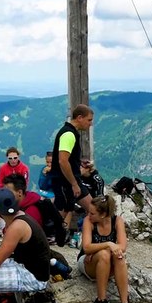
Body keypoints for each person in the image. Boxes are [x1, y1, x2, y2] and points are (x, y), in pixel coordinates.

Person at [79, 194, 135, 303]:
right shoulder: (88, 221)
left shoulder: (117, 221)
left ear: (103, 215)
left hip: (107, 263)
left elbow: (122, 246)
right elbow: (86, 247)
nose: (89, 215)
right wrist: (109, 244)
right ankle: (101, 300)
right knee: (104, 254)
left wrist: (100, 249)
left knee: (119, 256)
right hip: (88, 263)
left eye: (92, 213)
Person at [49, 104, 96, 245]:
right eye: (89, 120)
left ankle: (92, 237)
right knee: (62, 211)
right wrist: (74, 183)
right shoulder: (69, 134)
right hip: (65, 181)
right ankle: (47, 236)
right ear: (79, 117)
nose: (90, 124)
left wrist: (79, 163)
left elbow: (67, 159)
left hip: (72, 180)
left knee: (93, 208)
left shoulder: (70, 132)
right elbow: (62, 161)